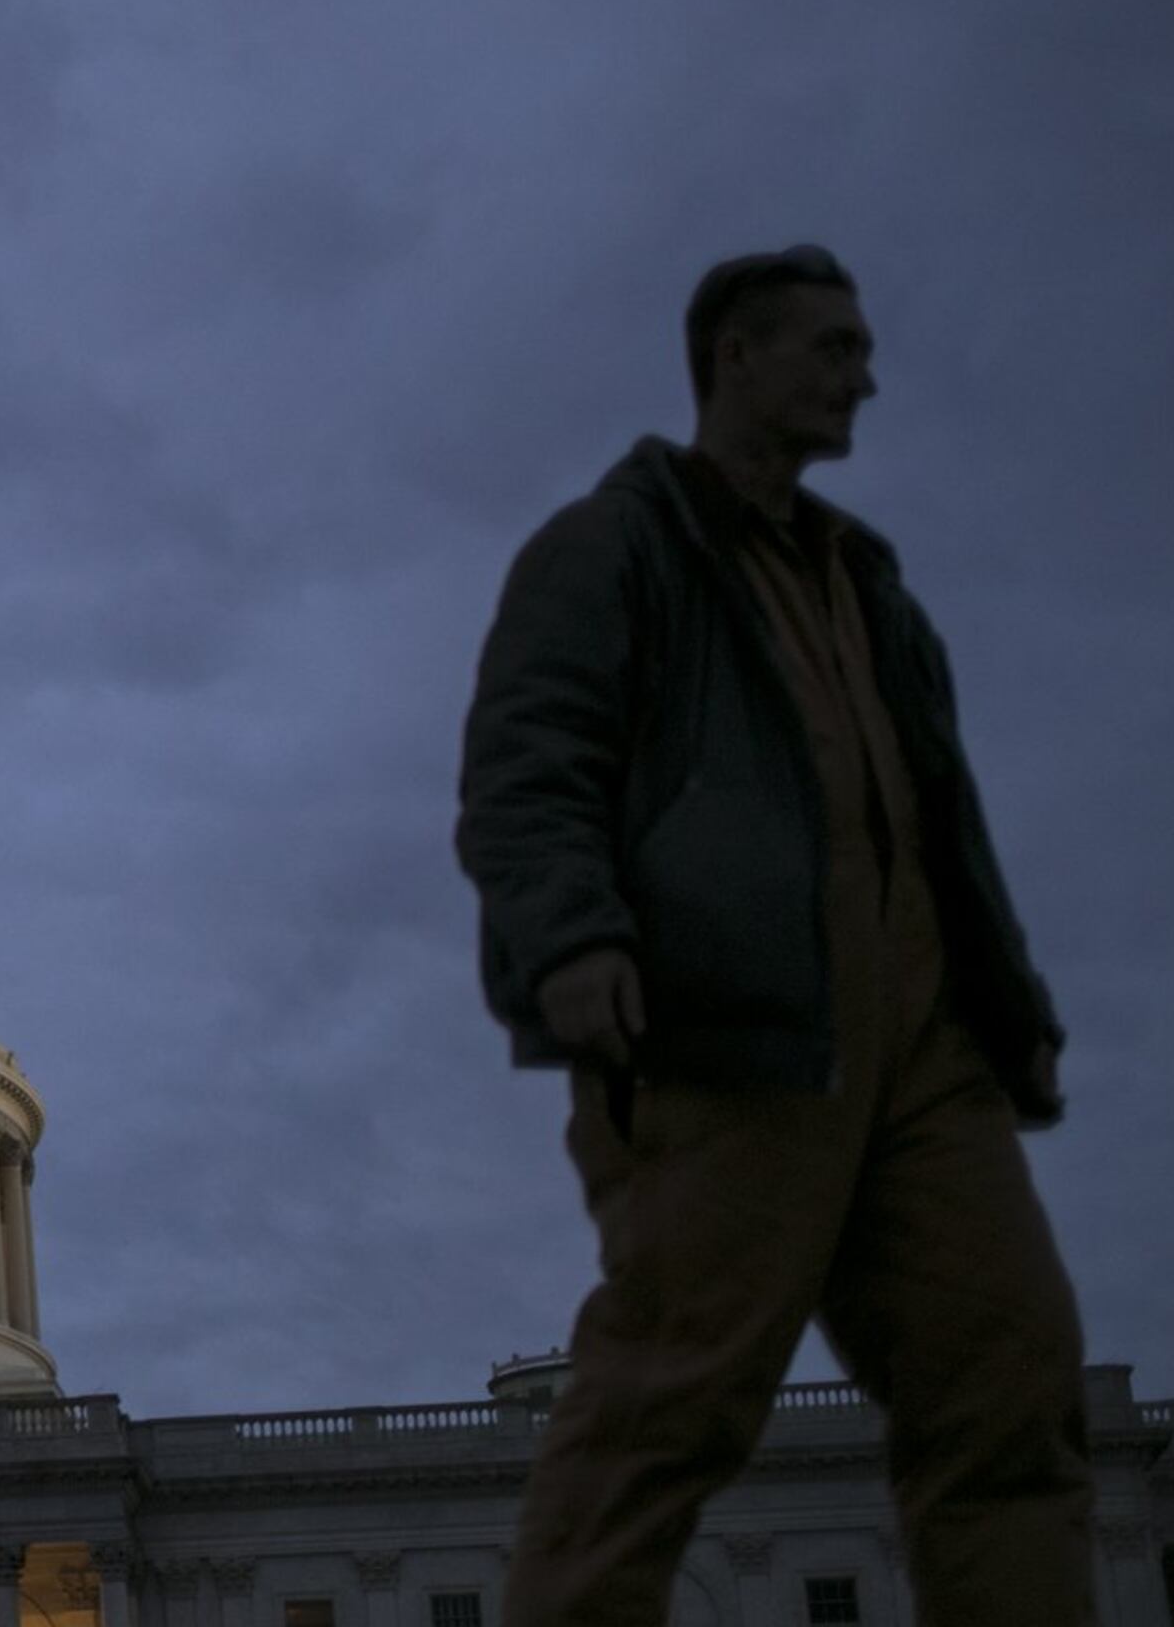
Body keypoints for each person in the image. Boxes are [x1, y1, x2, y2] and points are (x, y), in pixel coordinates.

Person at [458, 245, 1094, 1622]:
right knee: (673, 1389)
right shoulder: (613, 546)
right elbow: (528, 763)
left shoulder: (871, 588)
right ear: (734, 358)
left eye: (863, 349)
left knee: (1013, 1371)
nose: (863, 375)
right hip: (730, 1017)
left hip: (923, 1040)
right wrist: (573, 937)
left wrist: (1008, 1006)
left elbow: (933, 821)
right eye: (834, 347)